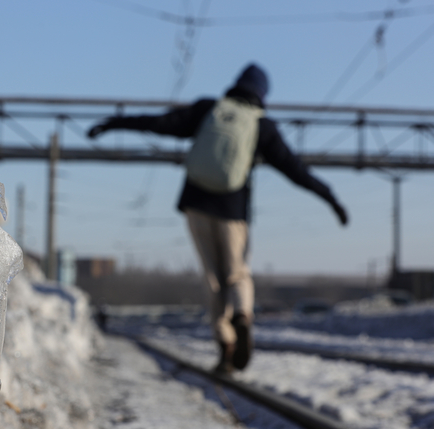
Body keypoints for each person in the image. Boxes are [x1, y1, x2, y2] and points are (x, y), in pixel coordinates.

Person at [87, 63, 349, 374]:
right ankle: (242, 315)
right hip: (233, 210)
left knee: (213, 280)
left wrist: (113, 123)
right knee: (237, 273)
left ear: (236, 84)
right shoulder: (262, 127)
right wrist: (332, 199)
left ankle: (225, 348)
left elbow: (159, 123)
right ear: (263, 94)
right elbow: (297, 171)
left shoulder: (208, 109)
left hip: (196, 204)